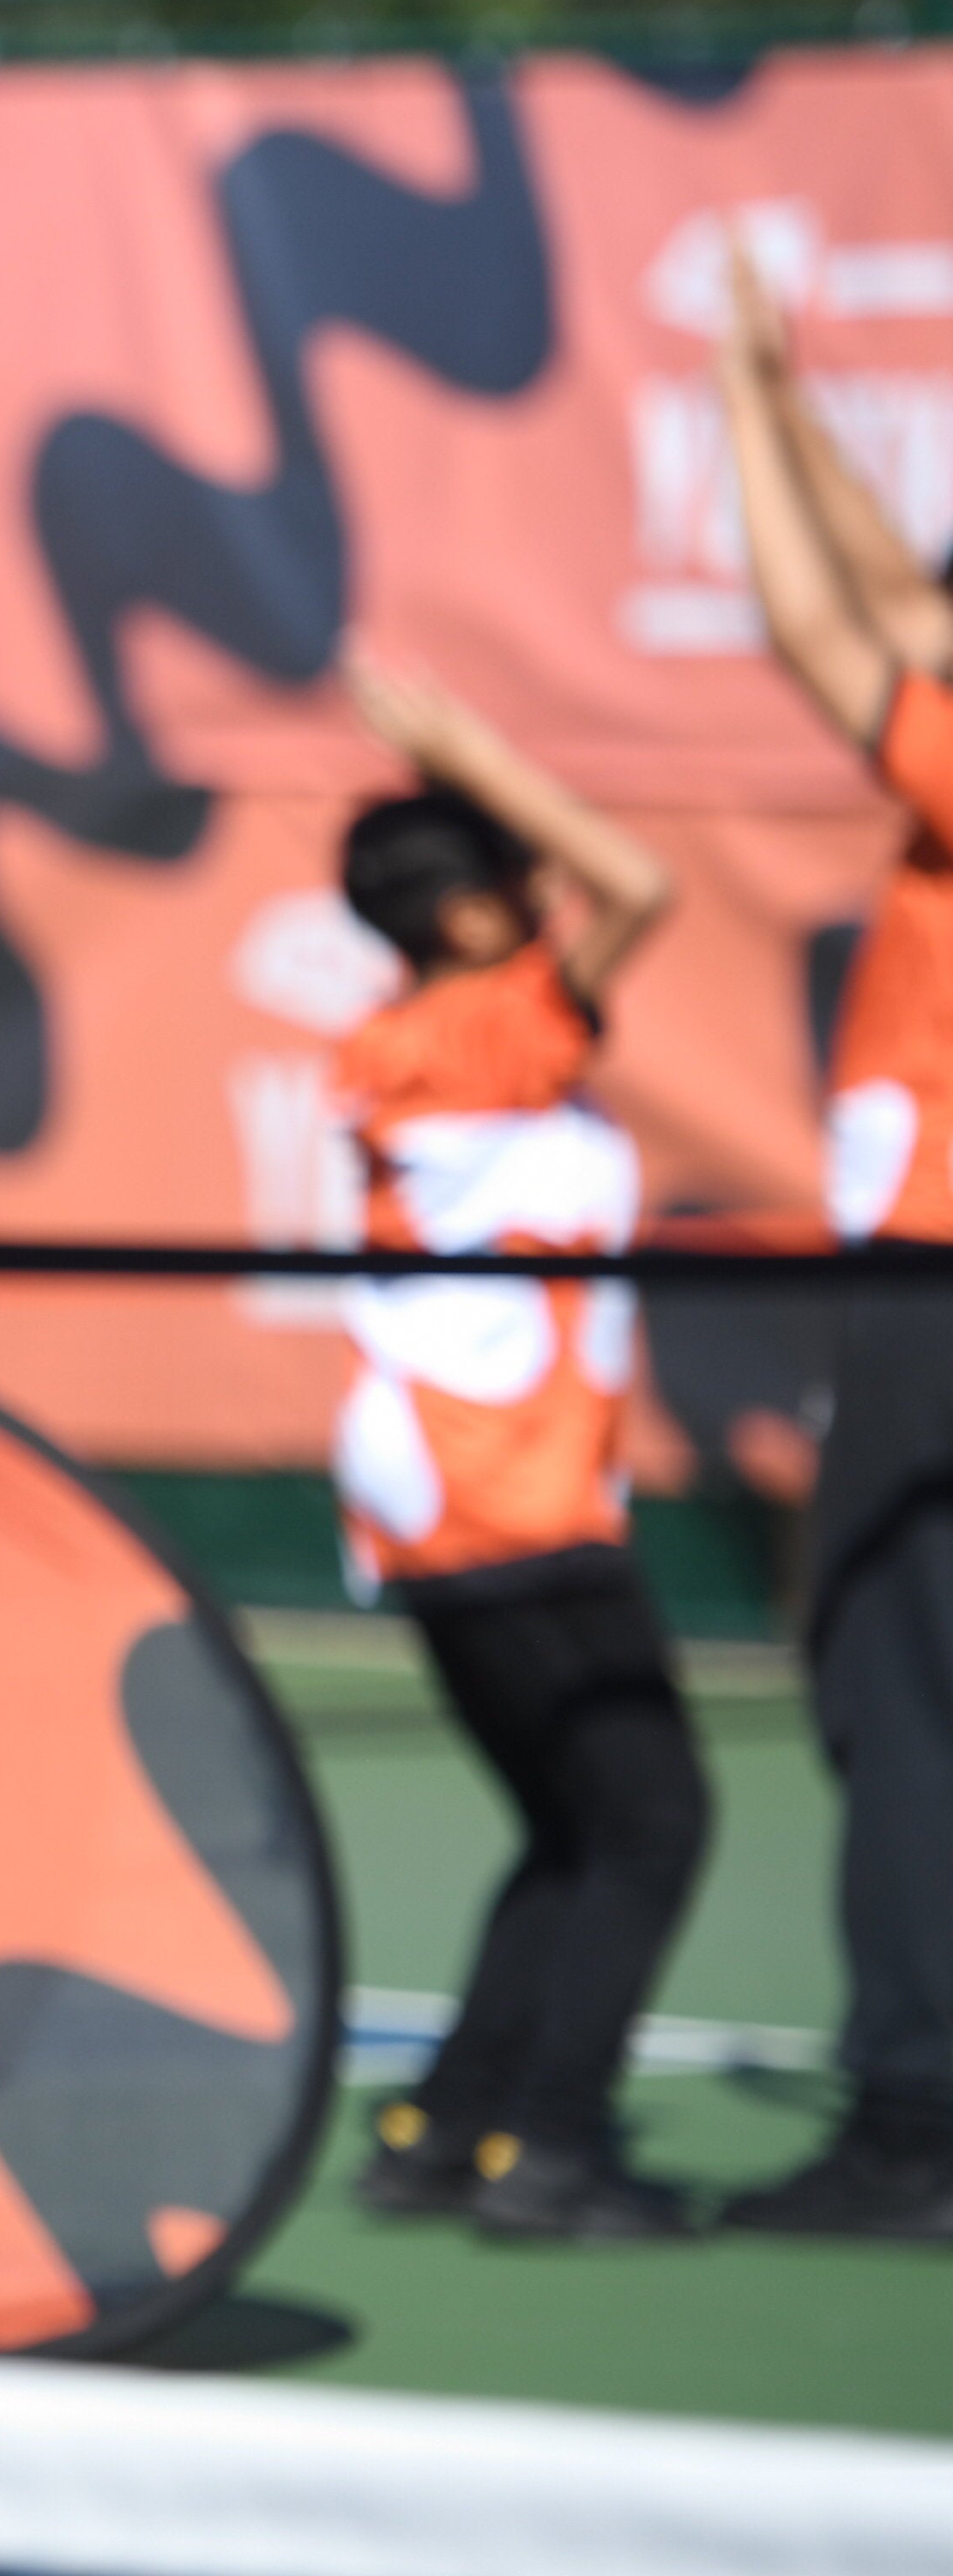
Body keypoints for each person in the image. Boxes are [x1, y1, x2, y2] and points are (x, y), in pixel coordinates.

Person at [316, 661, 707, 2239]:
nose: (557, 906)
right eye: (520, 889)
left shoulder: (429, 1038)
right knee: (656, 1819)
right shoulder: (486, 1028)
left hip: (441, 1487)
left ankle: (450, 2123)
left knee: (574, 1820)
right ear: (475, 922)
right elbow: (648, 881)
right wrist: (468, 744)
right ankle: (552, 2148)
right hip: (506, 1492)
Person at [711, 246, 953, 2236]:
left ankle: (910, 2125)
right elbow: (885, 593)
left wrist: (727, 399)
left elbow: (815, 618)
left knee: (897, 1691)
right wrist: (787, 395)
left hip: (931, 1291)